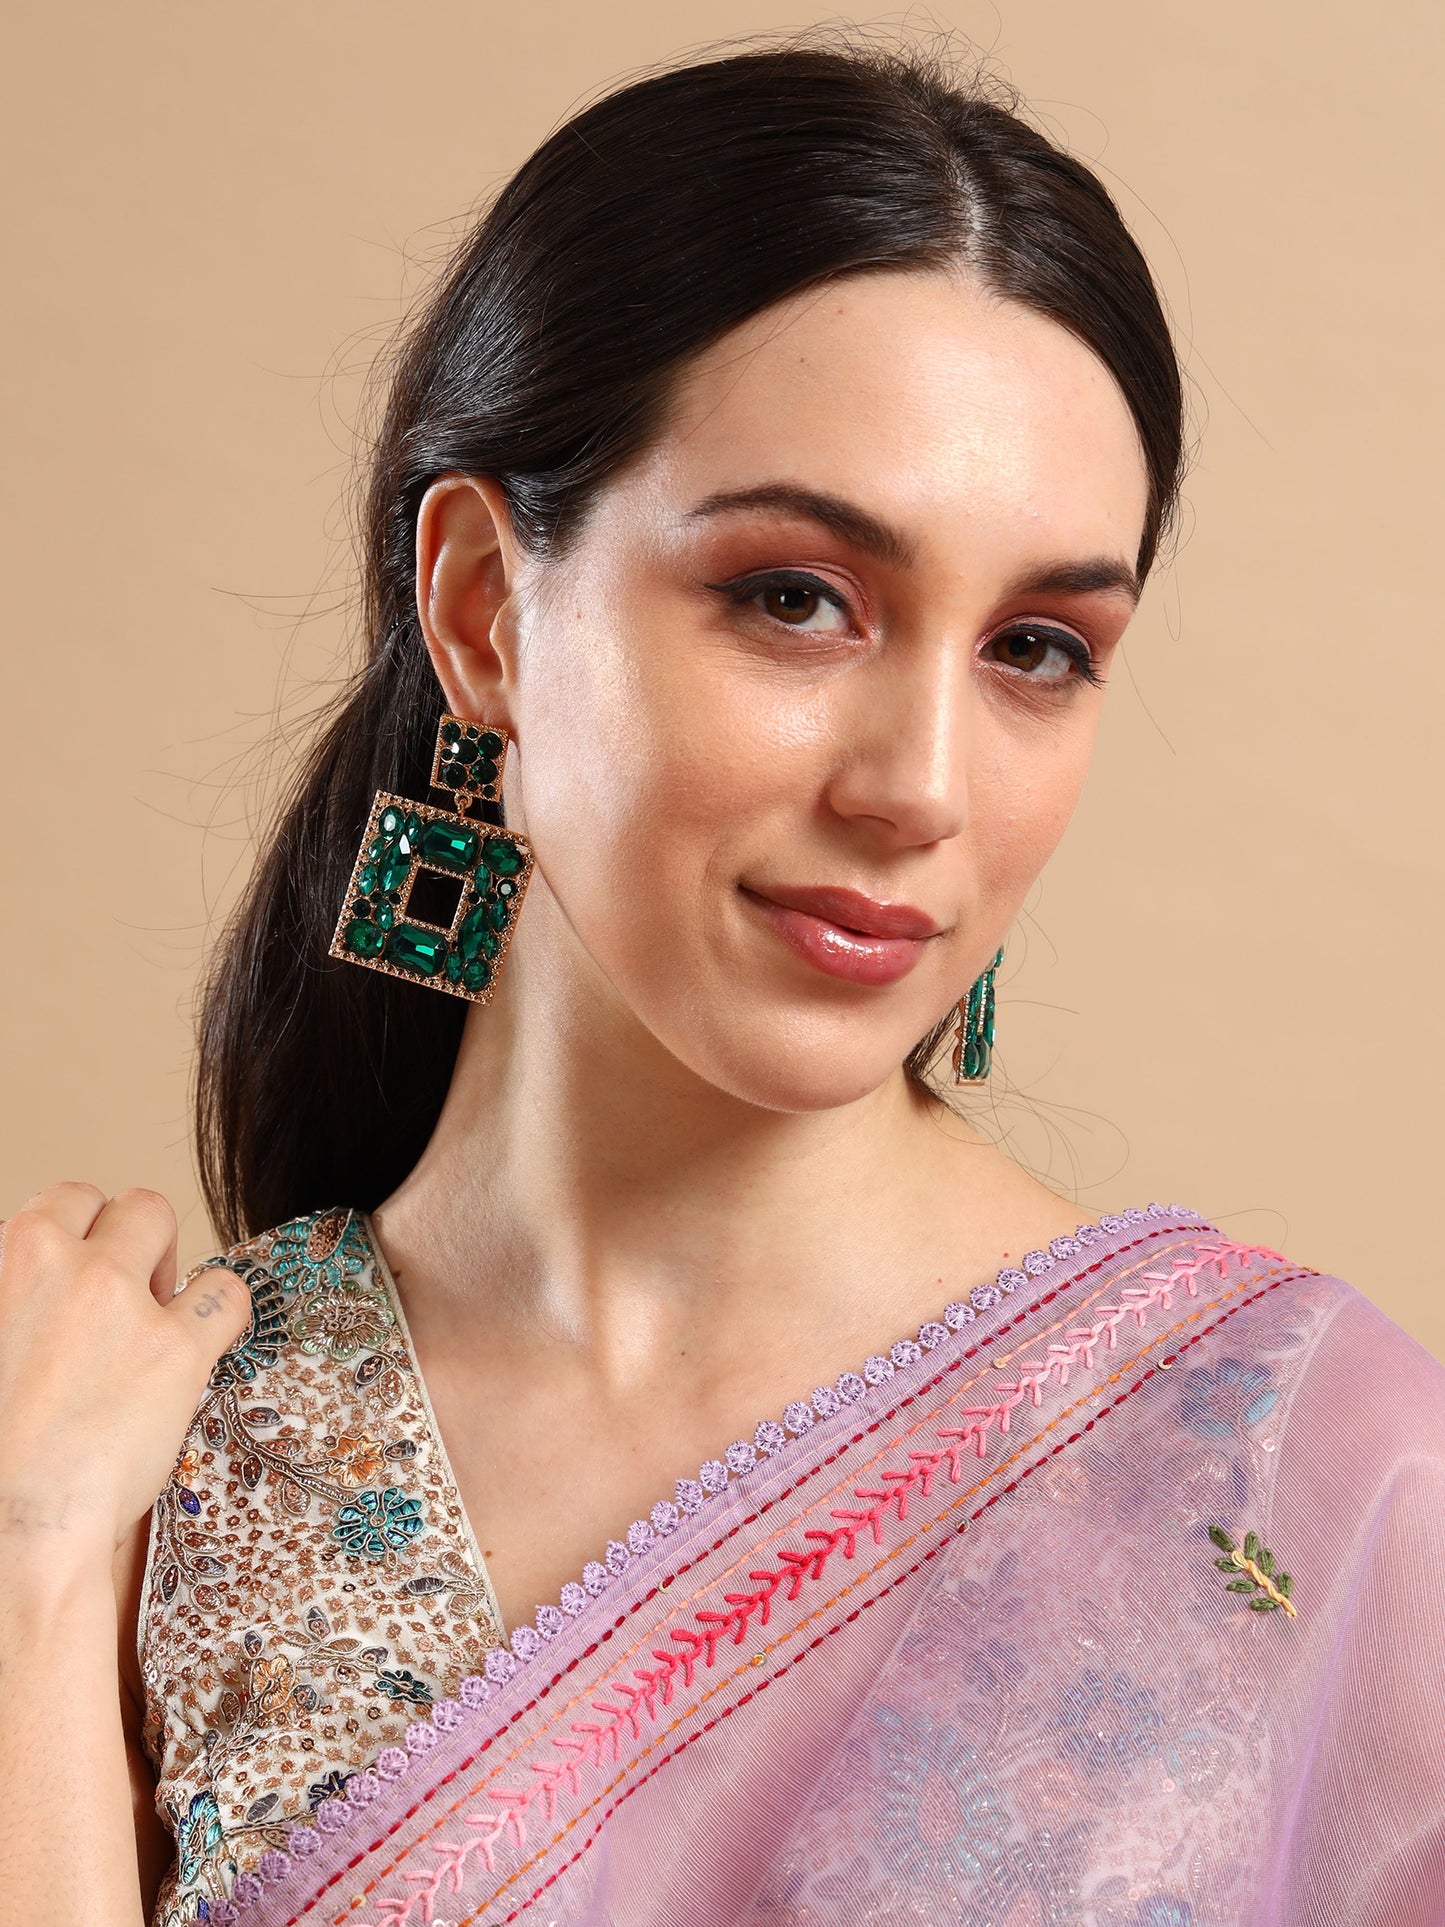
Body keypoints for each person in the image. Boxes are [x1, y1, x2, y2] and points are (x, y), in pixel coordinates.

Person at [2, 35, 1443, 1927]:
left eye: (1034, 646)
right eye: (794, 597)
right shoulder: (136, 1469)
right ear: (484, 613)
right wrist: (32, 1578)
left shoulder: (1302, 1472)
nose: (917, 786)